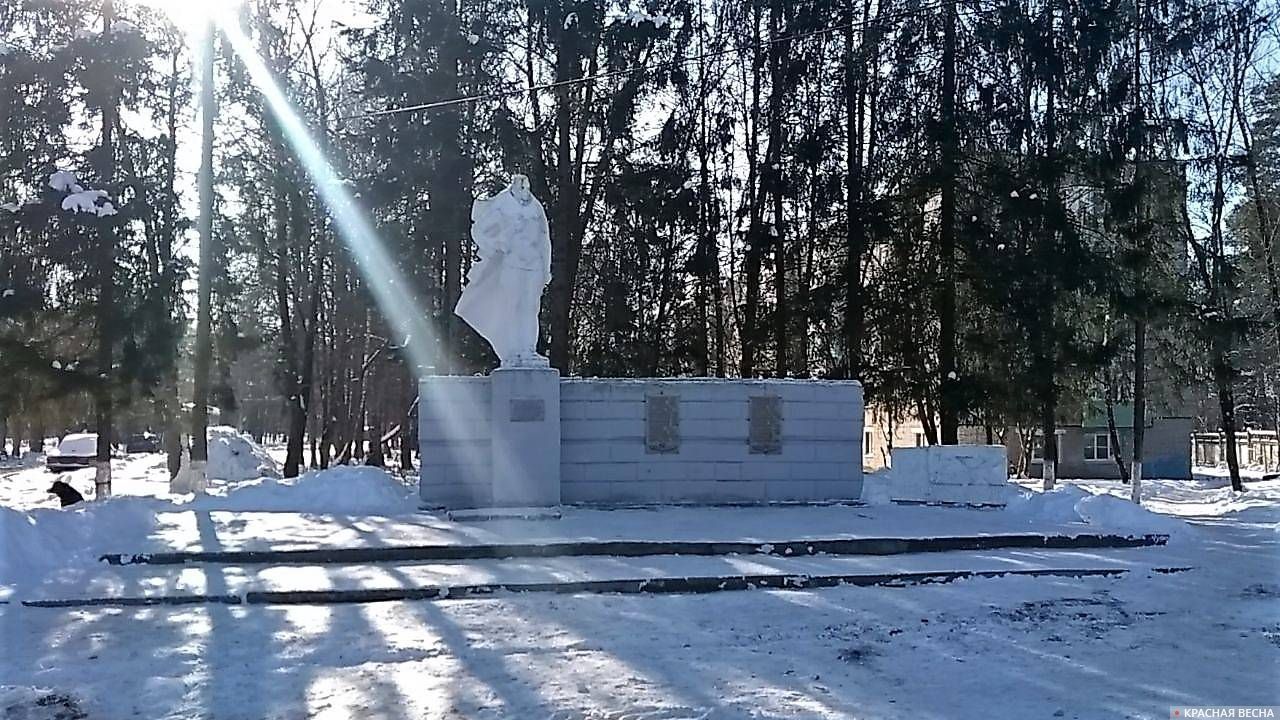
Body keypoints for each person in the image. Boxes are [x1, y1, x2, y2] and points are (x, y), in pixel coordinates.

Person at [455, 175, 552, 367]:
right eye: (520, 185)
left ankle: (529, 350)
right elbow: (479, 231)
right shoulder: (503, 204)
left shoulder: (535, 207)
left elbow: (544, 239)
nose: (524, 188)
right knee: (512, 306)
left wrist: (546, 267)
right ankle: (512, 352)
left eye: (526, 185)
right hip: (512, 263)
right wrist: (497, 243)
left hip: (533, 264)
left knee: (531, 308)